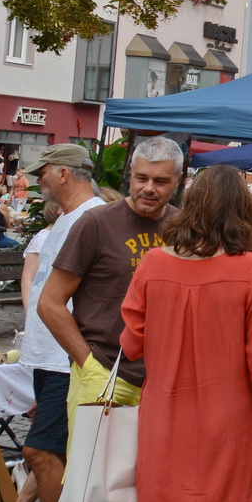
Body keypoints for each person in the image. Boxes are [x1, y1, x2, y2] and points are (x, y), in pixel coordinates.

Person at [121, 164, 252, 502]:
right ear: (240, 209)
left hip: (163, 414)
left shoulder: (152, 263)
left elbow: (130, 344)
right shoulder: (250, 268)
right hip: (227, 419)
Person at [40, 135, 182, 436]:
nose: (149, 188)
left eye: (160, 181)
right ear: (129, 173)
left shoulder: (184, 229)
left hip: (163, 382)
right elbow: (50, 303)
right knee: (91, 477)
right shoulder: (96, 223)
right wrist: (88, 363)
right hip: (104, 372)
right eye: (141, 177)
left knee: (148, 480)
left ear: (177, 181)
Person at [17, 144, 104, 502]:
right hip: (52, 358)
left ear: (65, 174)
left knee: (39, 451)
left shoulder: (93, 218)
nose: (38, 180)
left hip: (67, 359)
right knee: (54, 453)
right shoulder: (70, 218)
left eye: (43, 172)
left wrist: (82, 363)